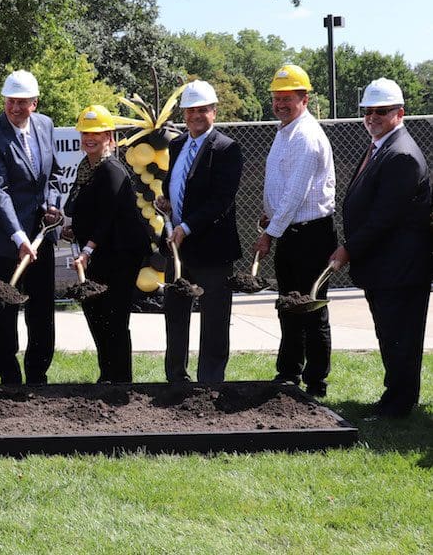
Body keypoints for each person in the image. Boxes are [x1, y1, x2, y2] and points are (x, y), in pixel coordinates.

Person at [329, 78, 431, 417]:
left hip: (399, 269)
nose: (372, 117)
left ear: (399, 113)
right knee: (390, 336)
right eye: (367, 111)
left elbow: (383, 219)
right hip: (384, 268)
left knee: (400, 339)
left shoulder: (401, 155)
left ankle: (399, 405)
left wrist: (347, 250)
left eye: (381, 111)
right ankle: (396, 398)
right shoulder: (381, 146)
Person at [253, 65, 336, 397]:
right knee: (289, 306)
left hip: (311, 236)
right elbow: (282, 187)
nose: (281, 104)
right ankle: (288, 374)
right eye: (277, 98)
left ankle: (316, 383)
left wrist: (270, 233)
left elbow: (297, 193)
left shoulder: (306, 135)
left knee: (312, 309)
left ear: (305, 98)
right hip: (291, 231)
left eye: (288, 98)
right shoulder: (284, 130)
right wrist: (270, 215)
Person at [156, 80, 243, 383]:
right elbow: (174, 184)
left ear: (214, 112)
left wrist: (187, 226)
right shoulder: (177, 144)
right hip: (179, 250)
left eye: (202, 110)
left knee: (214, 319)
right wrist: (166, 200)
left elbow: (222, 199)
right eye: (190, 110)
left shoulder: (226, 149)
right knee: (175, 314)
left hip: (213, 251)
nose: (195, 115)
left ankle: (210, 382)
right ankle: (176, 376)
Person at [0, 70, 62, 385]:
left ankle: (38, 372)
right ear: (4, 101)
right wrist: (18, 237)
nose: (15, 108)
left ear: (34, 103)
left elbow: (53, 174)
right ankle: (9, 375)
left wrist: (52, 204)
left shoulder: (46, 125)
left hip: (41, 238)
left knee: (41, 309)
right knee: (4, 309)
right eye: (10, 102)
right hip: (6, 240)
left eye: (22, 103)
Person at [63, 106, 150, 382]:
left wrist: (87, 249)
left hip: (120, 255)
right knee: (96, 313)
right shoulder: (86, 167)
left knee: (114, 318)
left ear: (109, 137)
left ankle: (120, 380)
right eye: (86, 133)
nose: (90, 138)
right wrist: (72, 227)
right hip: (100, 254)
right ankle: (107, 375)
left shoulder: (111, 169)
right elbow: (81, 207)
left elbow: (107, 216)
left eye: (97, 134)